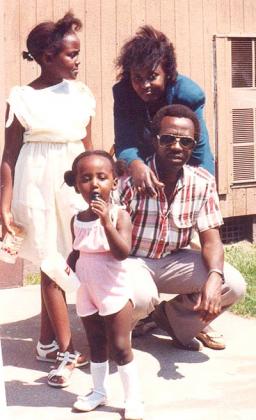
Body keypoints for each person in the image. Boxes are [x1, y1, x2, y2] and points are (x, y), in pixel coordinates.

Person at [0, 11, 95, 387]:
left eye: (77, 53)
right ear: (45, 56)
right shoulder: (20, 98)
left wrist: (100, 190)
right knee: (48, 261)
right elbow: (9, 156)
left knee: (68, 259)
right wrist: (3, 205)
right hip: (36, 182)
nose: (77, 60)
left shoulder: (82, 93)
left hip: (73, 182)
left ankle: (44, 340)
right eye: (70, 54)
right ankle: (66, 349)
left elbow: (91, 150)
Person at [119, 104, 246, 351]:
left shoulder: (202, 182)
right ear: (155, 141)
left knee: (232, 284)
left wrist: (214, 277)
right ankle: (122, 327)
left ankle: (171, 320)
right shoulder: (132, 180)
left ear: (194, 145)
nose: (177, 147)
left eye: (185, 142)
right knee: (142, 297)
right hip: (132, 262)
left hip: (173, 261)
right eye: (168, 139)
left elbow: (211, 241)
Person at [64, 150, 153, 419]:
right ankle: (99, 391)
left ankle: (133, 398)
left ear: (114, 182)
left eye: (102, 177)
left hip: (112, 290)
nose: (94, 184)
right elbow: (78, 252)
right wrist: (68, 269)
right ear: (77, 184)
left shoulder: (118, 216)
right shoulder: (76, 219)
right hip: (87, 291)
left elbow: (121, 252)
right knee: (95, 343)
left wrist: (105, 222)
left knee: (120, 346)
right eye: (86, 178)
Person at [113, 25, 215, 198]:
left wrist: (203, 192)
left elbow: (197, 151)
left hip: (185, 164)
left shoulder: (188, 95)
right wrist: (136, 164)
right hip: (145, 165)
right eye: (137, 78)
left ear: (167, 73)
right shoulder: (123, 93)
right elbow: (125, 142)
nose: (144, 85)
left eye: (152, 77)